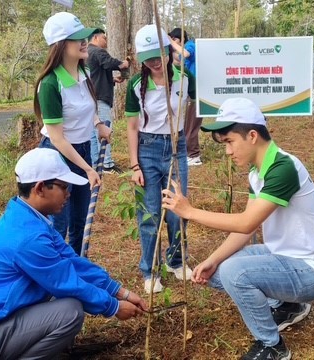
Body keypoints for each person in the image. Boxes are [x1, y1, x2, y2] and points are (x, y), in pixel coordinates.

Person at [162, 98, 314, 360]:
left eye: (230, 142)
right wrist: (212, 260)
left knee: (235, 273)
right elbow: (245, 229)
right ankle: (289, 305)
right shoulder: (258, 171)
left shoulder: (283, 168)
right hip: (285, 256)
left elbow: (246, 223)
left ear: (252, 135)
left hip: (311, 271)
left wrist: (189, 212)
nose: (228, 152)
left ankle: (272, 347)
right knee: (219, 270)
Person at [0, 148, 147, 360]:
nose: (68, 193)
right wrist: (112, 307)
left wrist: (121, 292)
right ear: (40, 188)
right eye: (63, 187)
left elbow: (72, 262)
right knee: (70, 312)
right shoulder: (28, 238)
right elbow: (67, 283)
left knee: (62, 302)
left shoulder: (27, 217)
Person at [34, 12, 111, 254]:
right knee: (59, 223)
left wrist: (98, 124)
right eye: (77, 38)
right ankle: (54, 270)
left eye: (84, 36)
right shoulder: (49, 84)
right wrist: (88, 169)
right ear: (60, 45)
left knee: (80, 220)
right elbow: (57, 138)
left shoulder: (84, 73)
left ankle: (76, 265)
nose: (84, 41)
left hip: (82, 150)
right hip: (58, 156)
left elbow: (88, 105)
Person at [125, 24, 195, 294]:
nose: (155, 63)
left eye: (159, 55)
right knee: (150, 213)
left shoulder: (183, 77)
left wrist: (172, 45)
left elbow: (192, 103)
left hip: (176, 148)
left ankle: (176, 261)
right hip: (148, 150)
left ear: (168, 50)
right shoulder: (135, 85)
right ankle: (149, 270)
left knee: (178, 209)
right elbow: (132, 127)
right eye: (148, 59)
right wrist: (134, 165)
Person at [87, 28, 130, 175]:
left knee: (93, 132)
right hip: (100, 98)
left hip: (91, 96)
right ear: (95, 38)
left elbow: (94, 75)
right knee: (105, 129)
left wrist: (111, 79)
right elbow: (109, 63)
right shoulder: (97, 51)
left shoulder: (87, 53)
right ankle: (106, 164)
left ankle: (95, 162)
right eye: (104, 38)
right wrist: (122, 64)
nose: (106, 41)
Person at [169, 28, 203, 167]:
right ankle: (189, 152)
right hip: (190, 91)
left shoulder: (190, 45)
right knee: (187, 123)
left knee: (191, 124)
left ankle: (194, 155)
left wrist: (171, 43)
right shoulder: (182, 48)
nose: (174, 43)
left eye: (175, 39)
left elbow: (186, 54)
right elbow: (179, 59)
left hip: (197, 91)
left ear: (182, 39)